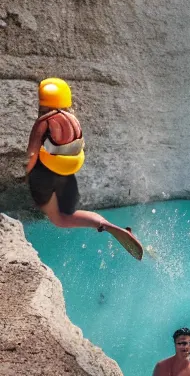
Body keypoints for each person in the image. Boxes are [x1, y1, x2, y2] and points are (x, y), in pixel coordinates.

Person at [26, 77, 143, 260]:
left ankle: (99, 223)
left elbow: (32, 153)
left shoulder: (44, 122)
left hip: (45, 175)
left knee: (58, 219)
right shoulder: (74, 120)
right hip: (67, 174)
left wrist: (28, 175)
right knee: (67, 215)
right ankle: (104, 223)